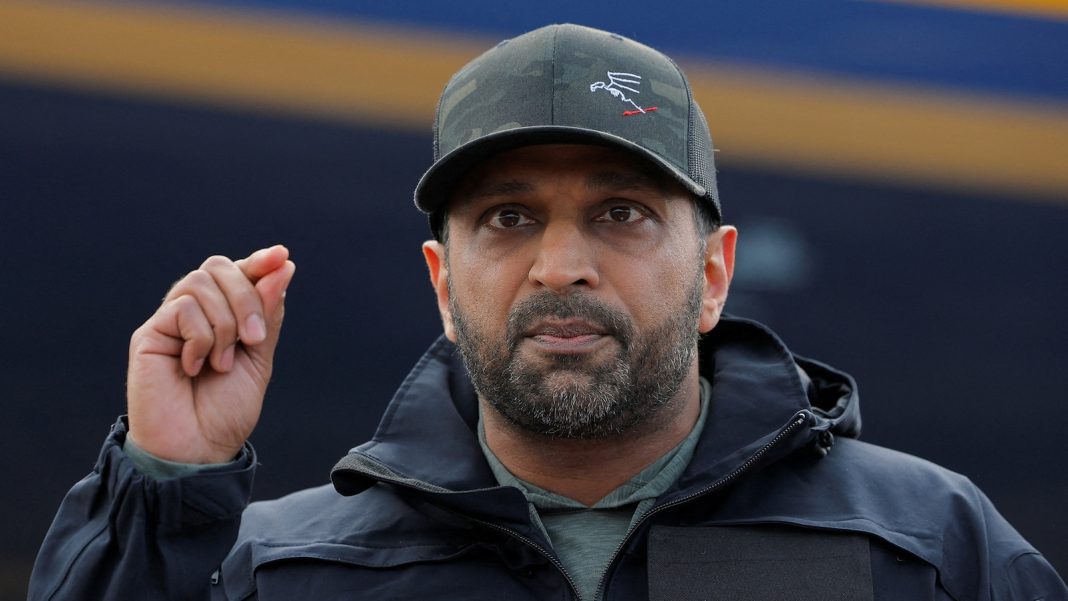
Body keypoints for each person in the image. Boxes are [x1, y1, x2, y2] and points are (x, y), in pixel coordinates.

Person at [29, 23, 1066, 601]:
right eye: (509, 218)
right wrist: (167, 488)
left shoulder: (927, 548)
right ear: (443, 283)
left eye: (620, 213)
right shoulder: (290, 572)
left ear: (713, 275)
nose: (560, 267)